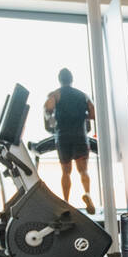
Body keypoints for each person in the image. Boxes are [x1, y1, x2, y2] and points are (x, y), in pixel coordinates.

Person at [44, 69, 96, 213]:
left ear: (60, 80)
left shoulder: (56, 94)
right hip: (80, 135)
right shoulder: (82, 95)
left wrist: (51, 115)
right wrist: (82, 115)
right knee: (83, 170)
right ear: (72, 79)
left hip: (63, 136)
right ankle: (87, 194)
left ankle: (66, 202)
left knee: (66, 172)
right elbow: (93, 113)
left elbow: (48, 108)